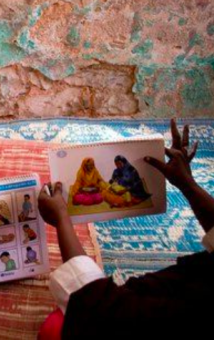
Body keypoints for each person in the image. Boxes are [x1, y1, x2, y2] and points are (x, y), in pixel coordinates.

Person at [38, 119, 214, 339]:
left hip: (143, 315)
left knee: (54, 330)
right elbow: (101, 182)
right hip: (192, 282)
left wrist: (62, 218)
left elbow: (101, 309)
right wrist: (188, 183)